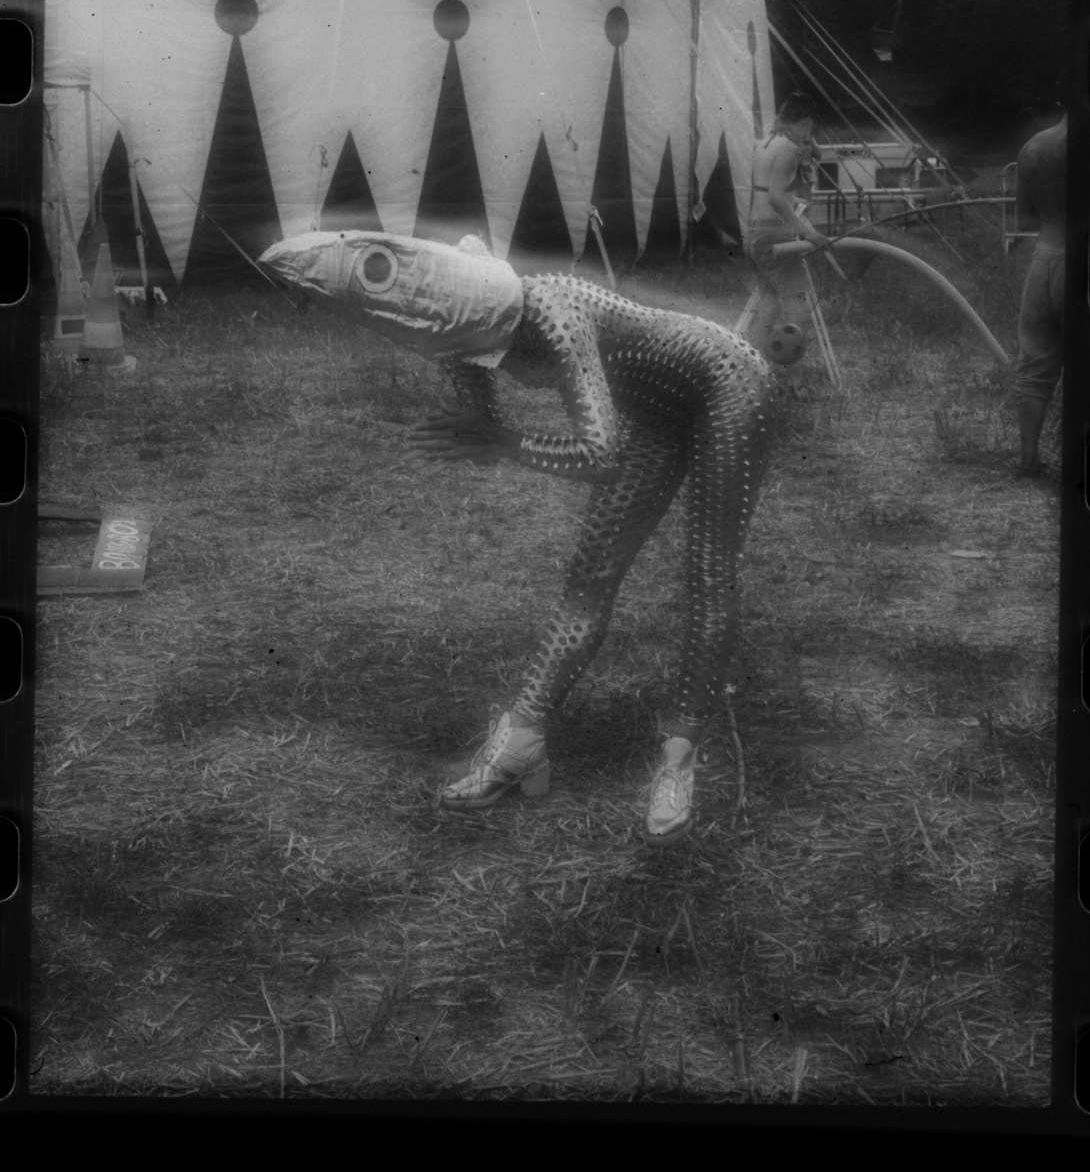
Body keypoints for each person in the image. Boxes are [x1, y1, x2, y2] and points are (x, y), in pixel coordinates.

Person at [258, 228, 777, 845]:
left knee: (709, 572)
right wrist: (481, 432)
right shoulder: (455, 333)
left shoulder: (557, 313)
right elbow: (485, 422)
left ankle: (680, 756)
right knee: (589, 579)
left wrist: (505, 445)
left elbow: (599, 453)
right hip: (655, 414)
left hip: (728, 383)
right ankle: (523, 743)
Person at [739, 93, 829, 393]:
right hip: (774, 236)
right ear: (804, 123)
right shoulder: (789, 148)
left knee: (769, 305)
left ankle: (746, 373)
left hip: (754, 235)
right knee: (797, 310)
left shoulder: (766, 143)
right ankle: (796, 383)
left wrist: (809, 145)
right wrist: (806, 232)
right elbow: (776, 198)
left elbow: (777, 189)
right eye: (809, 128)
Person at [1013, 110, 1067, 476]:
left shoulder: (1033, 147)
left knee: (1034, 367)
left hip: (1043, 260)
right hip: (1083, 257)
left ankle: (1028, 459)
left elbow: (1026, 220)